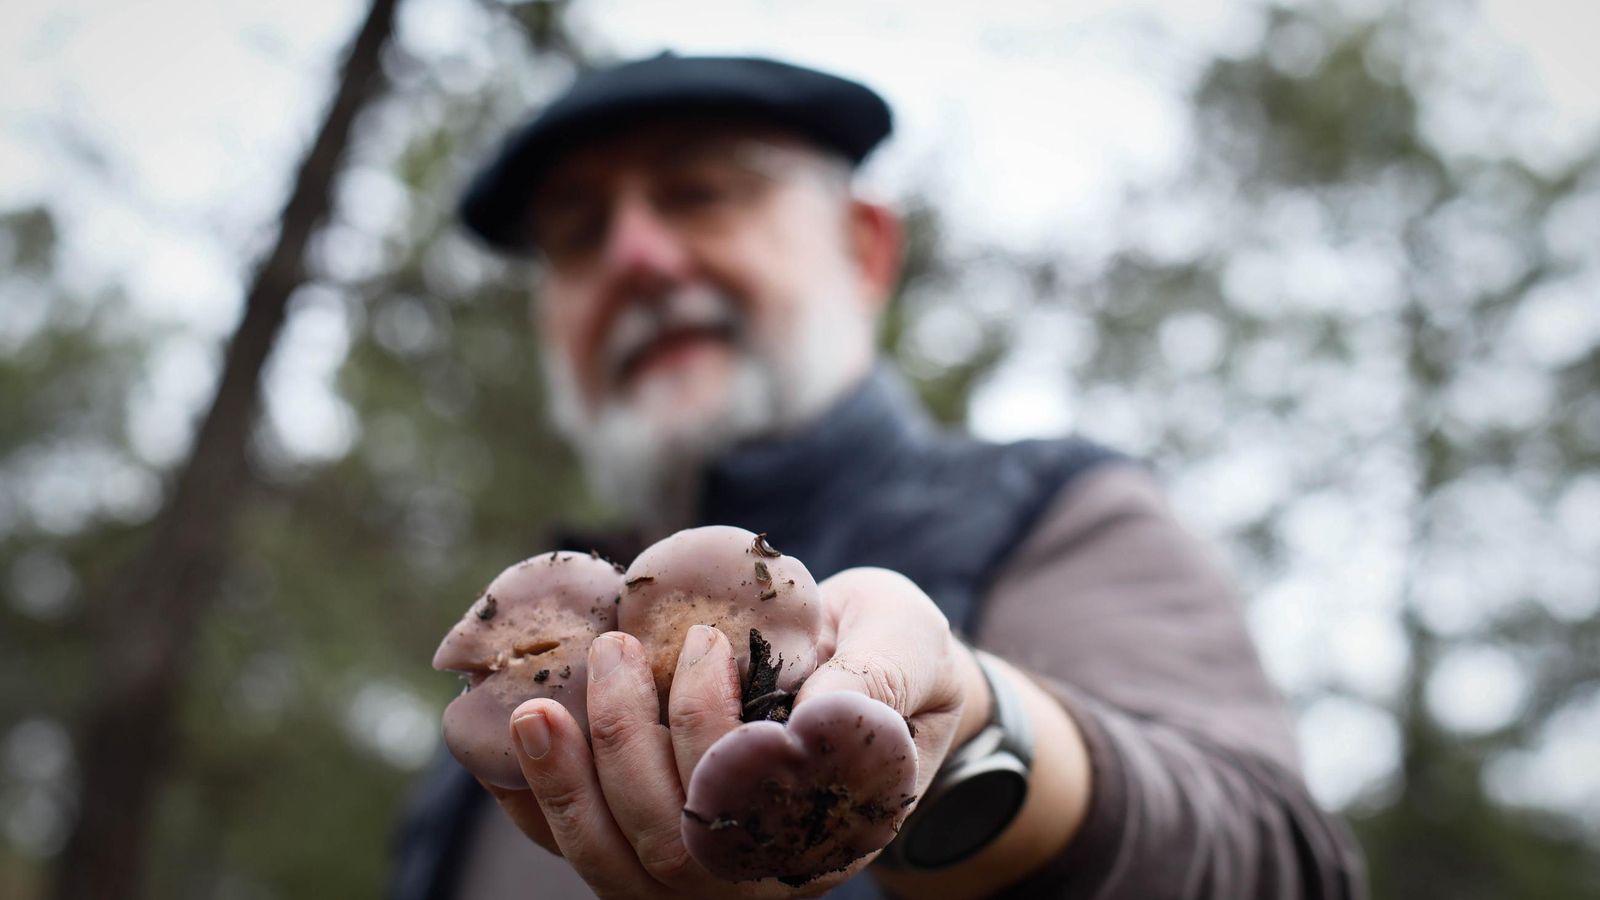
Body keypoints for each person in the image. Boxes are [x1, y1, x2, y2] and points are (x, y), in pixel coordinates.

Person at [391, 52, 1367, 899]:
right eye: (577, 234)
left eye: (700, 192)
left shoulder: (1053, 511)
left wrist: (967, 739)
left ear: (863, 246)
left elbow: (1279, 866)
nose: (636, 257)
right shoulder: (513, 657)